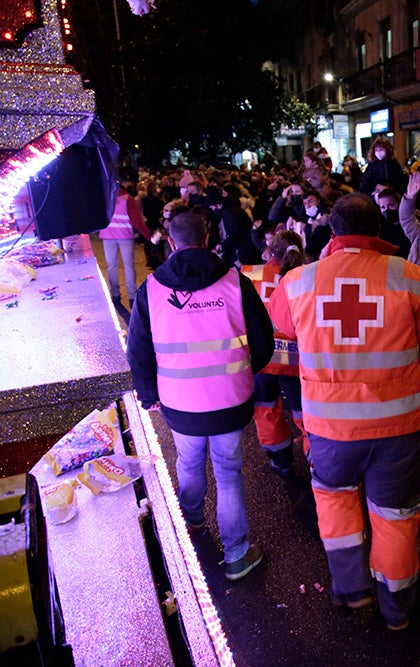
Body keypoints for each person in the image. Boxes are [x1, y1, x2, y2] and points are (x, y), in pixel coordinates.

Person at [267, 192, 420, 631]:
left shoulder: (298, 281)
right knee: (394, 516)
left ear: (332, 232)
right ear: (378, 229)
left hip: (330, 429)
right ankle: (397, 609)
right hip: (398, 429)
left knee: (336, 505)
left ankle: (352, 592)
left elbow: (278, 335)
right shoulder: (412, 279)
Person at [126, 212, 274, 580]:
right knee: (228, 473)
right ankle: (237, 554)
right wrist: (240, 372)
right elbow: (263, 342)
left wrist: (149, 393)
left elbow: (138, 350)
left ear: (171, 242)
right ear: (208, 238)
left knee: (188, 463)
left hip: (179, 403)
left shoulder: (152, 289)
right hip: (230, 401)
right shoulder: (235, 284)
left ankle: (191, 522)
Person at [240, 230, 308, 476]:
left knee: (266, 411)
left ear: (270, 250)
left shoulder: (249, 273)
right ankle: (317, 460)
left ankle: (281, 461)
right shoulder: (308, 276)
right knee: (307, 414)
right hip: (298, 360)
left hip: (261, 358)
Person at [101, 182, 154, 317]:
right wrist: (148, 235)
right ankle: (132, 296)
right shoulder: (128, 199)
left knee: (111, 266)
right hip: (125, 235)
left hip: (108, 235)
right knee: (128, 266)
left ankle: (115, 296)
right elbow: (137, 221)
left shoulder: (105, 198)